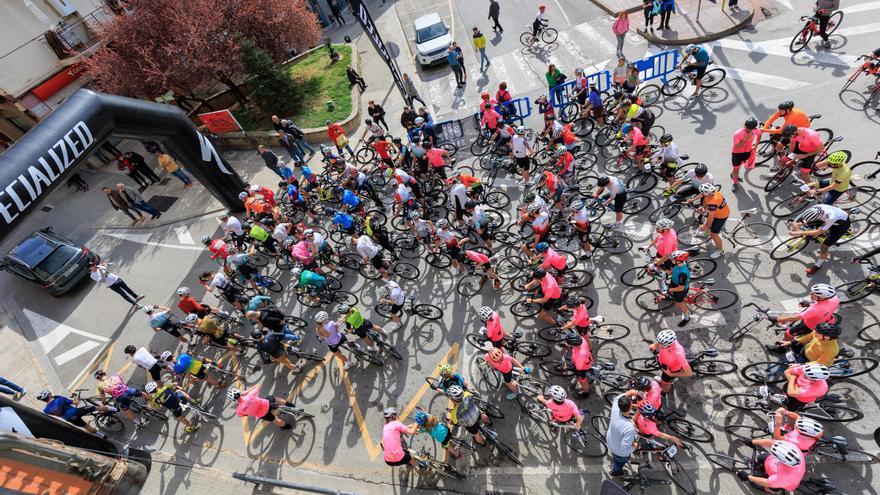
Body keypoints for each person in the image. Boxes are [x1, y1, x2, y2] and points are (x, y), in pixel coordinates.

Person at [766, 283, 839, 347]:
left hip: (810, 325)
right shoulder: (835, 299)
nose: (810, 293)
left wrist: (777, 319)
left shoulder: (815, 309)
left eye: (813, 294)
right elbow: (823, 306)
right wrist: (809, 304)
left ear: (821, 298)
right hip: (827, 319)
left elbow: (794, 318)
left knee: (788, 334)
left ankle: (782, 348)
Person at [790, 204, 851, 275]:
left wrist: (800, 232)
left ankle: (818, 266)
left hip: (840, 226)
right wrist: (796, 223)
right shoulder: (815, 207)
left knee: (824, 247)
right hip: (827, 217)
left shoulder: (831, 218)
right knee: (810, 225)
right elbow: (802, 218)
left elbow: (818, 232)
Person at [38, 390, 117, 436]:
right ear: (48, 395)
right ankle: (114, 409)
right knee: (95, 407)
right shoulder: (59, 399)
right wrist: (75, 395)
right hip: (76, 412)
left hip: (69, 419)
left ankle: (102, 436)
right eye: (49, 393)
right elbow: (76, 402)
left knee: (86, 426)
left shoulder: (46, 410)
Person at [737, 440, 806, 492]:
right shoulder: (792, 447)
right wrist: (753, 441)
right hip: (775, 465)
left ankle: (768, 491)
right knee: (761, 457)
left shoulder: (785, 478)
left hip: (783, 482)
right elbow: (771, 442)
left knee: (770, 488)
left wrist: (748, 477)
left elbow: (767, 483)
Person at [694, 183, 729, 259]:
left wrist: (705, 226)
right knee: (709, 227)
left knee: (714, 234)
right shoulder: (714, 192)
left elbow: (711, 218)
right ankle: (706, 234)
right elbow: (704, 197)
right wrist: (703, 207)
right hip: (720, 211)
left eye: (702, 192)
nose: (701, 194)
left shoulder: (713, 202)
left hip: (720, 216)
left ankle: (720, 250)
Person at [607, 394, 637, 476]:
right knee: (618, 463)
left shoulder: (615, 409)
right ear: (630, 407)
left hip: (610, 440)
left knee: (615, 457)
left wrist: (630, 391)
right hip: (620, 452)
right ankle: (615, 472)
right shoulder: (629, 428)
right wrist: (634, 447)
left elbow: (617, 398)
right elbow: (624, 449)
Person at [731, 117, 762, 191]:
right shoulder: (737, 133)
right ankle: (735, 182)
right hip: (737, 154)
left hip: (747, 153)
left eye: (751, 128)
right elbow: (737, 146)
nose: (749, 130)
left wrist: (756, 144)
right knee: (736, 169)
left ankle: (733, 174)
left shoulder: (755, 130)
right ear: (744, 125)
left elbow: (759, 134)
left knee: (739, 166)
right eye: (747, 128)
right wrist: (746, 139)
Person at [664, 250, 692, 326]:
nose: (671, 260)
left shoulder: (683, 273)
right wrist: (668, 273)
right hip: (674, 282)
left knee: (679, 303)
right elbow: (674, 269)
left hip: (680, 289)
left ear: (678, 261)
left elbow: (681, 288)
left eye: (673, 259)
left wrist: (670, 289)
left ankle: (687, 317)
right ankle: (670, 296)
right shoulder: (681, 263)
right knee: (670, 291)